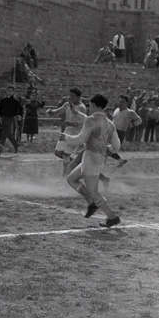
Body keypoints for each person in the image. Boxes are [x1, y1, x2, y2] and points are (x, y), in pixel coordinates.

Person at [61, 93, 121, 228]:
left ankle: (112, 217)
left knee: (94, 192)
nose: (89, 108)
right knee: (71, 179)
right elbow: (116, 146)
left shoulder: (91, 119)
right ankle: (91, 202)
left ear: (93, 105)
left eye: (90, 105)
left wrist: (66, 138)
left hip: (90, 159)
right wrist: (107, 148)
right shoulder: (110, 124)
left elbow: (81, 139)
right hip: (96, 159)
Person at [47, 87, 87, 175]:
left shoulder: (81, 107)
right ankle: (77, 164)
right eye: (69, 95)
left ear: (79, 97)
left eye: (73, 96)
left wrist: (72, 123)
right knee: (58, 153)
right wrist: (51, 112)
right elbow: (59, 111)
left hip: (76, 133)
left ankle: (65, 174)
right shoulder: (67, 104)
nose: (70, 97)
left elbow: (83, 122)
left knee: (66, 155)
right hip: (67, 131)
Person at [0, 85, 23, 153]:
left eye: (11, 91)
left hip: (10, 118)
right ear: (7, 91)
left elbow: (20, 109)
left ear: (13, 92)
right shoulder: (3, 100)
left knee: (4, 134)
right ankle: (16, 144)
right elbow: (0, 109)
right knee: (8, 133)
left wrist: (19, 115)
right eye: (9, 91)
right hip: (3, 118)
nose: (10, 92)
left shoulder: (15, 101)